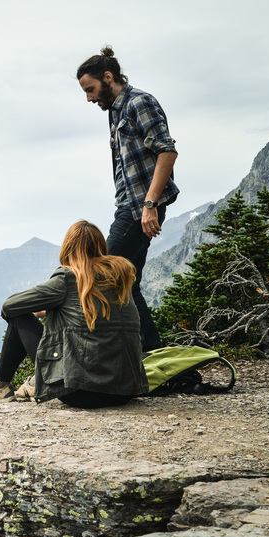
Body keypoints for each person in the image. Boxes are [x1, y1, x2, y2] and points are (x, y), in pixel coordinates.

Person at [0, 220, 150, 408]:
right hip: (125, 391)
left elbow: (9, 306)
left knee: (18, 316)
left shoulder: (68, 278)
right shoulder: (120, 277)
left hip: (79, 392)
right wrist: (52, 308)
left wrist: (50, 307)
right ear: (101, 246)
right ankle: (30, 383)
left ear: (68, 247)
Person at [77, 46, 179, 353]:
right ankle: (150, 354)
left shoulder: (140, 102)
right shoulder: (115, 112)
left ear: (108, 77)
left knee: (102, 273)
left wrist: (150, 205)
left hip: (140, 209)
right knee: (127, 283)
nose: (89, 98)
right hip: (129, 206)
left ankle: (110, 354)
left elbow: (167, 151)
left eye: (91, 89)